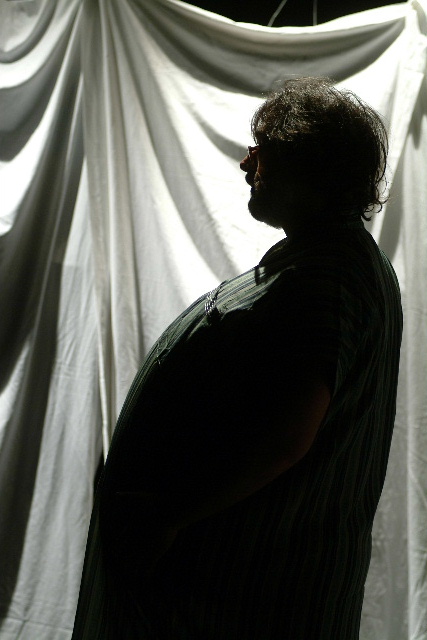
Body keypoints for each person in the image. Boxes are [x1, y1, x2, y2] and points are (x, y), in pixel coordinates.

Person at [72, 77, 403, 640]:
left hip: (246, 596)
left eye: (263, 151)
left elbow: (285, 438)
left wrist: (167, 516)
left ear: (309, 167)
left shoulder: (325, 279)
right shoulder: (329, 261)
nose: (247, 163)